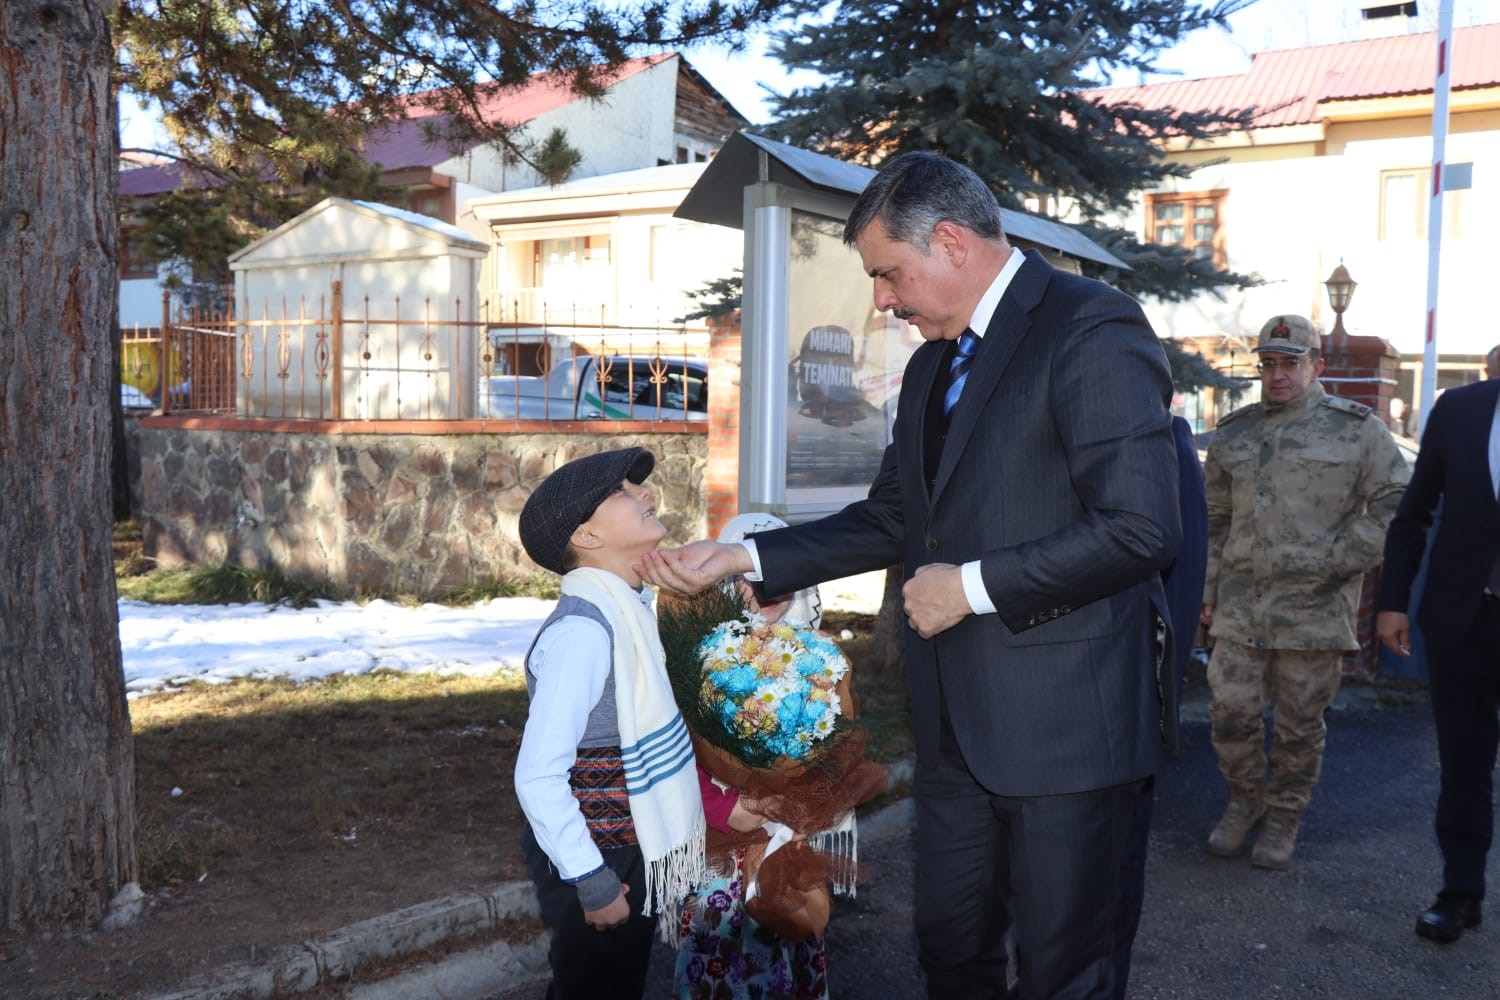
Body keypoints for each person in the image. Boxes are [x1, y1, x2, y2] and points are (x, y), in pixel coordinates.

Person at [642, 150, 1181, 999]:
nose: (881, 300)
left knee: (1063, 971)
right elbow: (895, 516)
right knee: (949, 948)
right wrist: (747, 555)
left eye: (889, 274)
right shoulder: (935, 364)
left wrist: (969, 586)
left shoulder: (1091, 328)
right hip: (958, 732)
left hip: (1072, 732)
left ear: (954, 244)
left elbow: (1142, 526)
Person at [1199, 315, 1409, 870]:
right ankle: (1245, 803)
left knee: (1298, 726)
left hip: (1314, 610)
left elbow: (1396, 502)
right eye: (1268, 364)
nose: (1277, 375)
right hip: (1242, 607)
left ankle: (1285, 815)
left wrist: (1337, 560)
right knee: (1231, 716)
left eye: (1290, 363)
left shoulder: (1356, 430)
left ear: (1316, 365)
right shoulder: (1235, 433)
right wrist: (1208, 590)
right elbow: (1214, 519)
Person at [513, 447, 706, 999]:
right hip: (595, 853)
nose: (645, 493)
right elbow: (537, 777)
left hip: (626, 838)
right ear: (588, 537)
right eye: (623, 491)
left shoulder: (631, 611)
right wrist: (594, 883)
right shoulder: (584, 632)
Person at [675, 512, 833, 999]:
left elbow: (834, 747)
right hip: (720, 843)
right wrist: (725, 807)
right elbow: (673, 745)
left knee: (789, 945)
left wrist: (805, 805)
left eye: (781, 574)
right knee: (719, 957)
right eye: (750, 577)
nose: (767, 589)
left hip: (788, 840)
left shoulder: (818, 657)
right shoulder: (692, 656)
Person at [1378, 343, 1500, 944]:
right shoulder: (1460, 409)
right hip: (1466, 619)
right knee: (1464, 762)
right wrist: (1392, 601)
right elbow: (1414, 513)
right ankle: (1460, 891)